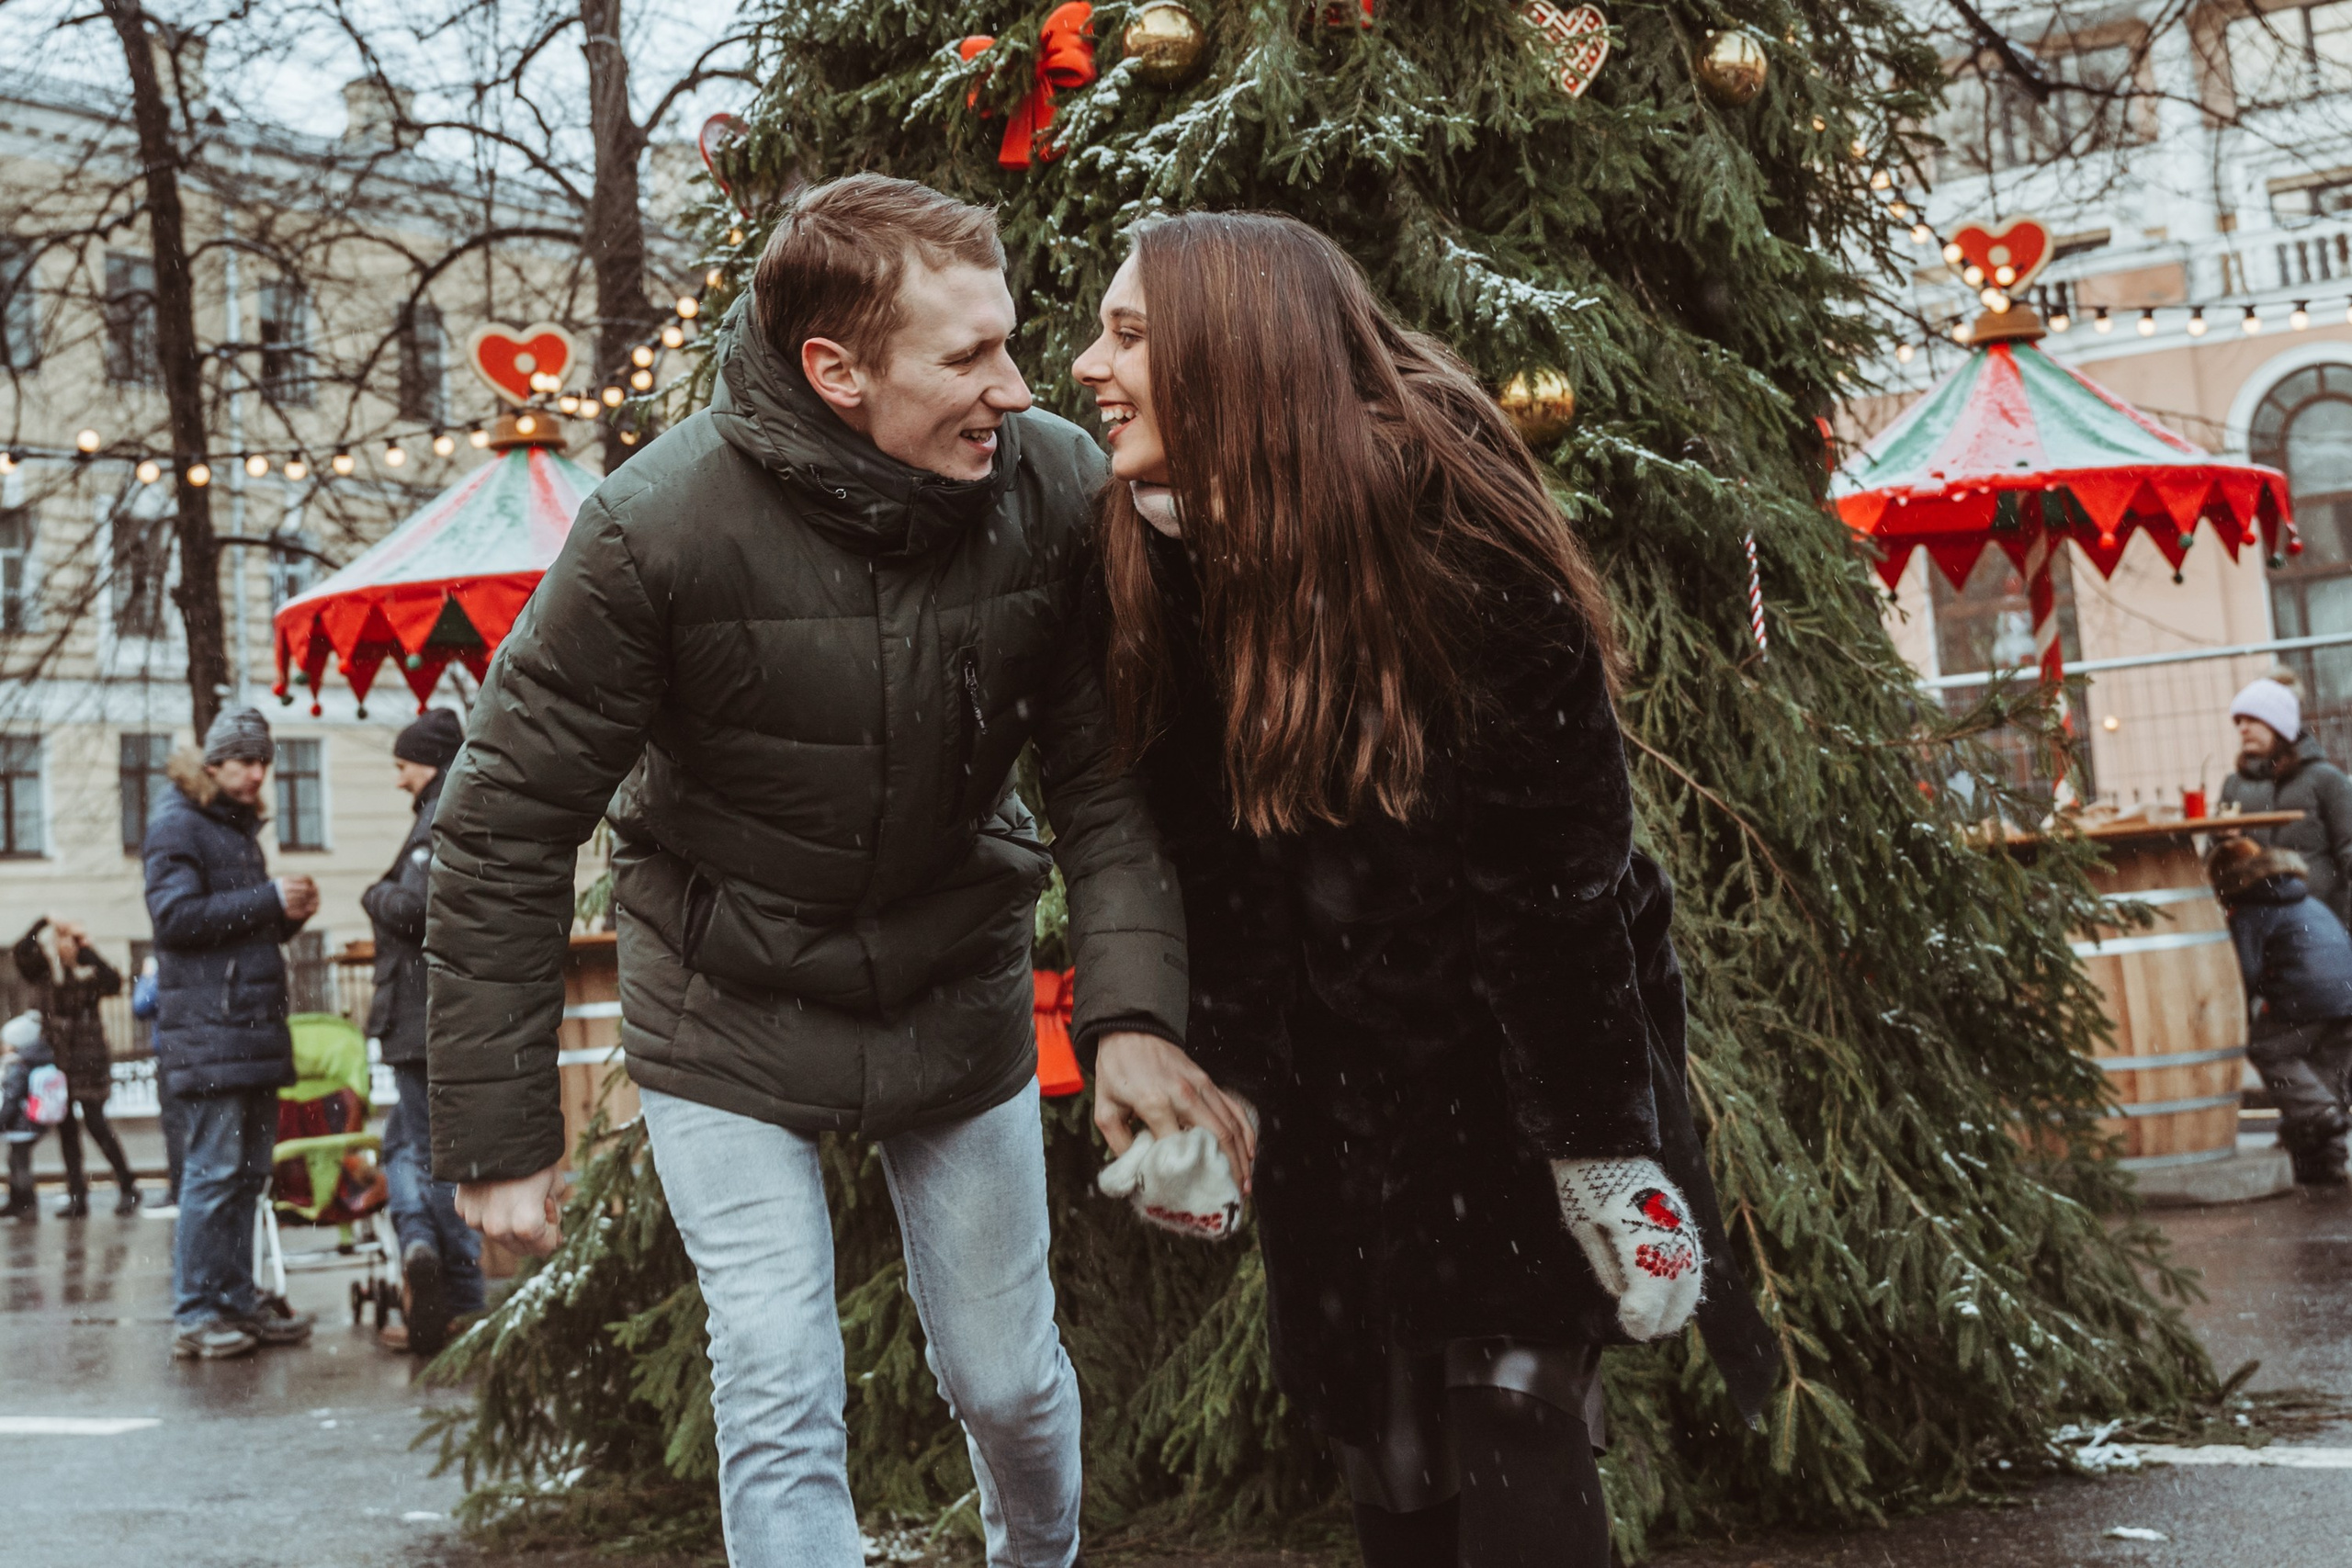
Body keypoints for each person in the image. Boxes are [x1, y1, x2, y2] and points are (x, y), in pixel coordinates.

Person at [429, 175, 1204, 1568]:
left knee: (1007, 1380)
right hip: (723, 997)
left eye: (1010, 341)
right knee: (781, 1375)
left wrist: (1135, 1014)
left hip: (949, 983)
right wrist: (498, 1136)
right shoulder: (653, 526)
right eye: (968, 357)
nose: (1017, 387)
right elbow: (505, 818)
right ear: (836, 371)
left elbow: (1104, 784)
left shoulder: (1052, 491)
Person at [1072, 212, 1776, 1568]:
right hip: (1339, 1090)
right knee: (1386, 1443)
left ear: (1238, 354)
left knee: (1517, 1411)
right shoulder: (1157, 563)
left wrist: (1600, 1148)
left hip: (1510, 1060)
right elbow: (1224, 879)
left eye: (1130, 334)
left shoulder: (1460, 544)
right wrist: (1231, 1096)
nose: (1090, 364)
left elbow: (1555, 885)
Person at [145, 707, 322, 1360]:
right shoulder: (177, 824)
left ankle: (235, 1299)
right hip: (212, 1031)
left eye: (264, 762)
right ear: (214, 763)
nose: (258, 774)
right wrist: (272, 900)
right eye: (247, 761)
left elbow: (236, 930)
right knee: (216, 1172)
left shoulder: (228, 827)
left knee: (246, 1177)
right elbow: (174, 919)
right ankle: (196, 1312)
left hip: (245, 1029)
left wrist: (288, 915)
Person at [362, 707, 481, 1353]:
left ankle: (448, 1280)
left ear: (429, 761)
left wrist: (372, 895)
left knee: (427, 1151)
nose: (398, 778)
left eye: (403, 763)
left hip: (419, 1015)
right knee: (411, 1144)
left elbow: (412, 907)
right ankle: (435, 1266)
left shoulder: (437, 815)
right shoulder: (454, 804)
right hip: (436, 1011)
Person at [2210, 835, 2352, 1184]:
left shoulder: (2249, 910)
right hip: (2346, 996)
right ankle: (2322, 1159)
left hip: (2303, 998)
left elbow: (2243, 971)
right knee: (2323, 1070)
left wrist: (2235, 1016)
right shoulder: (2305, 898)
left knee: (2268, 1049)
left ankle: (2319, 1116)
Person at [13, 917, 139, 1215]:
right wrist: (42, 923)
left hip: (89, 1062)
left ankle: (128, 1185)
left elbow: (113, 981)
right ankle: (77, 1196)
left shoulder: (89, 976)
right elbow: (21, 952)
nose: (64, 947)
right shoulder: (45, 975)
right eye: (61, 941)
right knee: (67, 1132)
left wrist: (87, 950)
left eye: (70, 942)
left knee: (97, 1126)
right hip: (58, 1065)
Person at [2220, 674, 2352, 924]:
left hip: (2321, 916)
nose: (2242, 728)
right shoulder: (2234, 786)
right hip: (2256, 919)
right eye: (2238, 721)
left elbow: (2349, 849)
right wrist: (2225, 841)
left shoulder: (2325, 779)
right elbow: (2213, 862)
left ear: (2278, 726)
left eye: (2252, 720)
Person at [2, 1011, 61, 1219]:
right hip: (30, 1122)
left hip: (21, 1125)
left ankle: (26, 1204)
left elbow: (11, 1098)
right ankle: (18, 1202)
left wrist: (2, 1121)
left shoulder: (19, 1066)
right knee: (16, 1161)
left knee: (19, 1164)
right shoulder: (34, 1059)